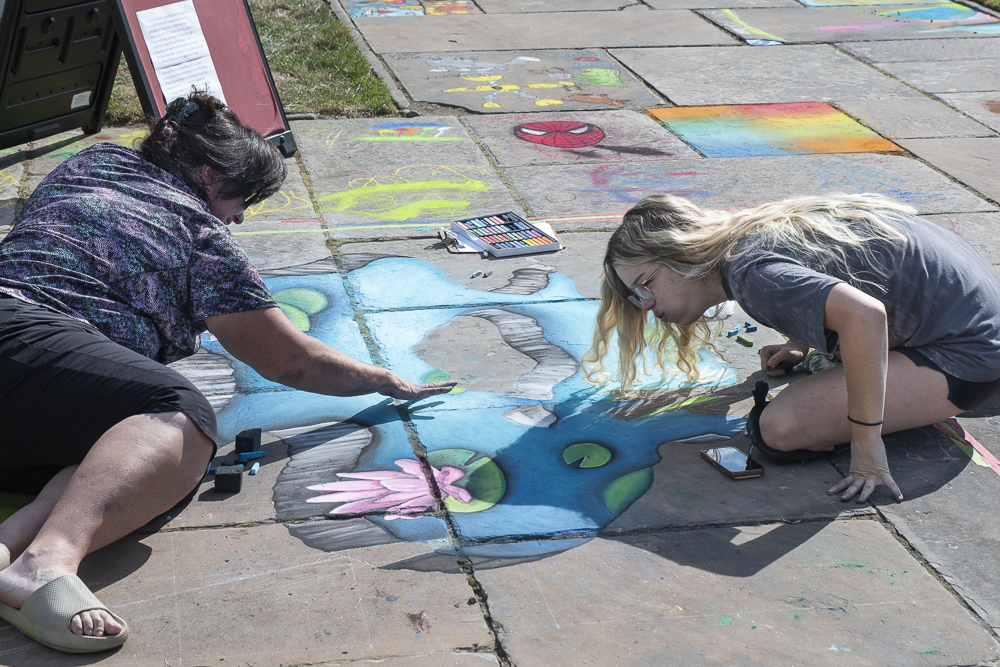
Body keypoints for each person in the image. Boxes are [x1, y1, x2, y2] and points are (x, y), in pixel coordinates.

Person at [0, 92, 455, 653]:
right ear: (209, 175)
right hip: (20, 337)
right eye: (242, 200)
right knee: (177, 414)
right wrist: (384, 379)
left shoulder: (94, 163)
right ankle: (46, 564)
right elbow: (290, 359)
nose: (239, 217)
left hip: (22, 393)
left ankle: (7, 552)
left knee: (117, 456)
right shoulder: (200, 237)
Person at [584, 193, 1000, 505]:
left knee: (780, 430)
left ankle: (888, 421)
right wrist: (801, 341)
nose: (647, 305)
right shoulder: (746, 242)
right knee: (819, 382)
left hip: (968, 355)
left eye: (645, 285)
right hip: (968, 319)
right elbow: (834, 266)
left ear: (680, 254)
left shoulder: (751, 276)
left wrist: (866, 449)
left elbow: (866, 316)